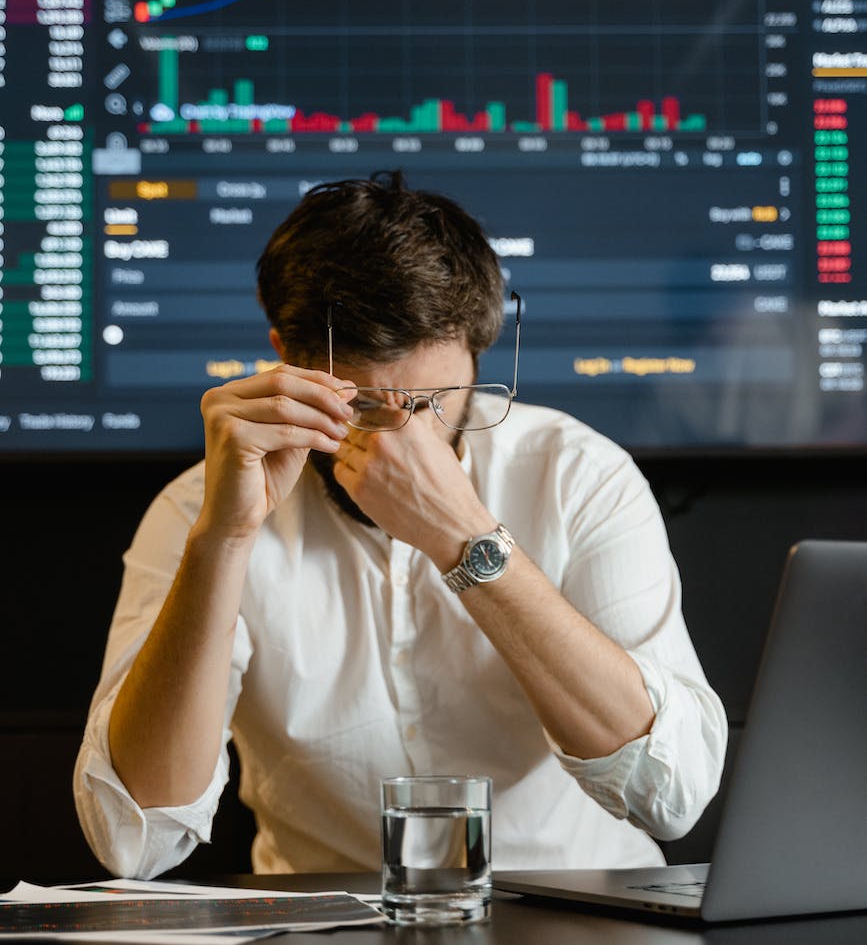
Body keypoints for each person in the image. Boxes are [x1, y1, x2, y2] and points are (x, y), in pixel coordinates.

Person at [74, 171, 727, 879]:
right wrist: (224, 544)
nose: (395, 443)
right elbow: (133, 839)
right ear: (282, 356)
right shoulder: (196, 510)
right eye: (357, 403)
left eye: (432, 401)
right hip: (327, 939)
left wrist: (464, 539)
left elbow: (673, 794)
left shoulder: (578, 474)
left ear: (479, 359)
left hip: (587, 917)